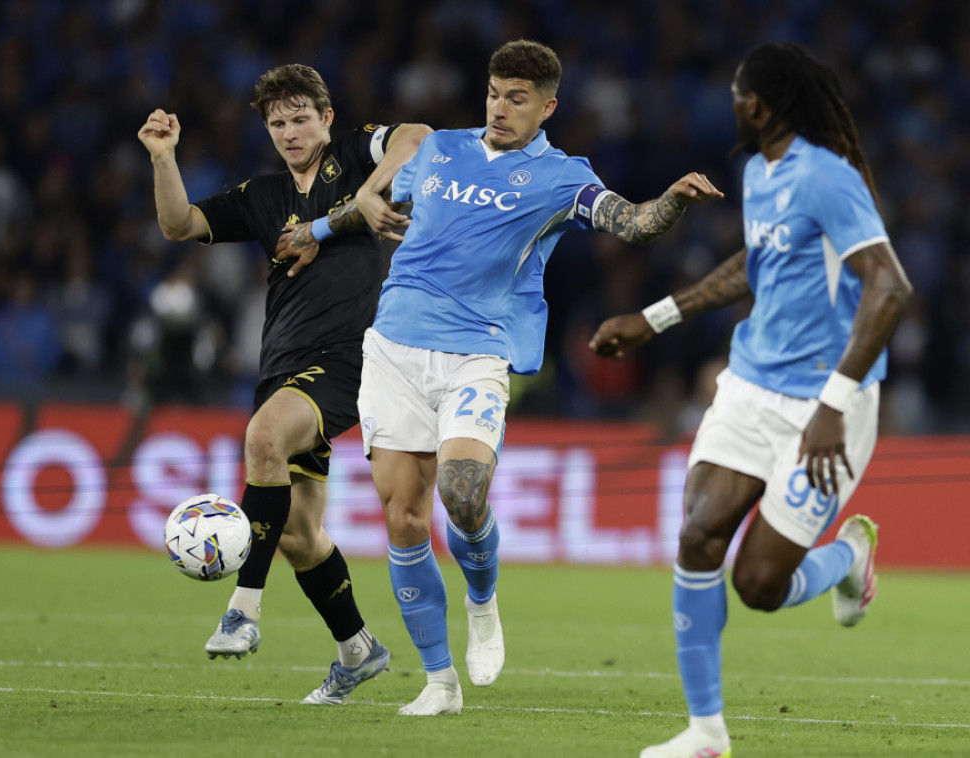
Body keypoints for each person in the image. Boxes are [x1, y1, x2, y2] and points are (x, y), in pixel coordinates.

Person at [352, 39, 722, 716]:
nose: (500, 108)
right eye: (494, 94)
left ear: (547, 107)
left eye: (517, 99)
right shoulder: (439, 149)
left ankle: (482, 598)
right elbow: (380, 163)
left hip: (478, 351)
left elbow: (634, 224)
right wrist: (357, 205)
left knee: (463, 492)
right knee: (403, 517)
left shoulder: (560, 177)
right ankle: (439, 683)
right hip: (394, 347)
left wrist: (672, 200)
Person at [588, 41, 913, 757]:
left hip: (824, 405)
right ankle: (706, 733)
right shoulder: (760, 172)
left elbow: (890, 287)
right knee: (697, 535)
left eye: (737, 92)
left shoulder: (827, 178)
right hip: (750, 383)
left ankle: (847, 555)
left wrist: (832, 405)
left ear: (758, 105)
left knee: (760, 584)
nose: (730, 102)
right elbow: (755, 265)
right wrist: (654, 318)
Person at [137, 63, 431, 705]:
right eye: (278, 123)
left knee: (263, 438)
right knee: (298, 535)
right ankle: (358, 649)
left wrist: (367, 196)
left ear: (326, 118)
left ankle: (242, 609)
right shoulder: (263, 195)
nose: (291, 132)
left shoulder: (354, 154)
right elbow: (179, 224)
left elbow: (419, 136)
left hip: (349, 355)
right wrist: (163, 157)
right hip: (282, 366)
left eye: (301, 118)